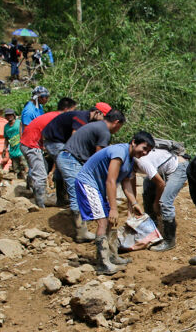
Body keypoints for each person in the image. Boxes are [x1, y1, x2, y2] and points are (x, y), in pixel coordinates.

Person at [75, 132, 155, 274]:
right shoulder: (119, 153)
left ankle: (112, 256)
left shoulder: (130, 159)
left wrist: (134, 203)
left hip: (99, 188)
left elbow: (125, 182)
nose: (144, 153)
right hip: (87, 183)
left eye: (148, 151)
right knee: (103, 222)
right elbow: (111, 181)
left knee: (111, 222)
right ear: (134, 142)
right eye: (143, 148)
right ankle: (103, 263)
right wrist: (113, 208)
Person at [59, 110, 126, 242]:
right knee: (76, 194)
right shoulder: (104, 132)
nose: (118, 130)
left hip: (69, 157)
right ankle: (81, 232)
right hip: (71, 159)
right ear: (116, 123)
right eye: (120, 127)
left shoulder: (98, 126)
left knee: (79, 191)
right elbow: (99, 158)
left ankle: (84, 226)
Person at [42, 102, 110, 208]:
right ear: (97, 112)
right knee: (71, 169)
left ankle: (62, 199)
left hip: (59, 141)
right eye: (104, 118)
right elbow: (75, 139)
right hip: (54, 142)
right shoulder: (81, 118)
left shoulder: (87, 120)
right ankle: (75, 203)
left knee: (62, 169)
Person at [22, 97, 75, 207]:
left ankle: (61, 199)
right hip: (31, 144)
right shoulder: (58, 118)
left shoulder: (55, 116)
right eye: (72, 110)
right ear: (66, 109)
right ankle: (41, 205)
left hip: (33, 142)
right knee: (40, 174)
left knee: (60, 167)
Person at [136, 142, 189, 252]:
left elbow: (161, 184)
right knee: (147, 189)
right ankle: (152, 229)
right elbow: (130, 180)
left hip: (178, 168)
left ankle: (169, 240)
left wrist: (156, 203)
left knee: (165, 202)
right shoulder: (130, 161)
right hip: (162, 170)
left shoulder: (141, 161)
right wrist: (132, 203)